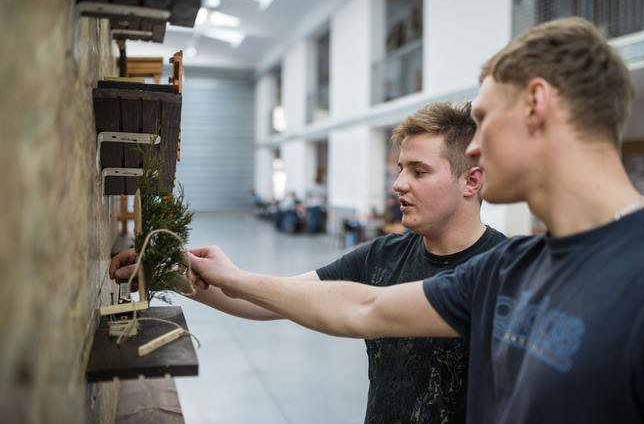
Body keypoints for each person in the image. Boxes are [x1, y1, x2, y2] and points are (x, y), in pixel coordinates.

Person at [178, 17, 644, 424]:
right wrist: (220, 278)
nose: (475, 146)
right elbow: (365, 307)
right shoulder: (509, 268)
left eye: (487, 119)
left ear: (536, 104)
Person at [110, 102, 506, 423]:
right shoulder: (384, 255)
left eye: (419, 171)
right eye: (401, 168)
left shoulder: (505, 272)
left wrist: (235, 277)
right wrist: (172, 275)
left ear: (471, 181)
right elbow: (270, 300)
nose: (399, 183)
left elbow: (360, 308)